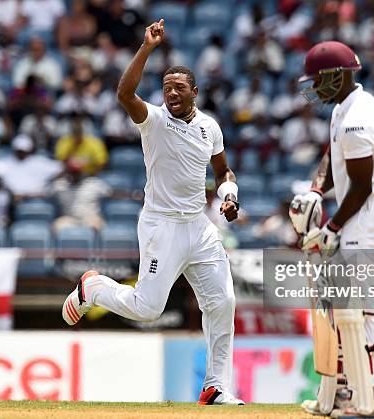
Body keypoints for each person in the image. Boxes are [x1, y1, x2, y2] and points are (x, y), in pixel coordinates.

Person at [62, 19, 244, 405]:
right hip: (162, 225)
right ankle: (94, 288)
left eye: (179, 88)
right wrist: (147, 47)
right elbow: (125, 92)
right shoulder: (154, 120)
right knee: (147, 308)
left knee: (223, 302)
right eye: (166, 88)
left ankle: (216, 387)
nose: (172, 94)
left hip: (199, 226)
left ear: (195, 92)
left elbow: (223, 170)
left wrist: (228, 194)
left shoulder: (210, 127)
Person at [291, 41, 374, 417]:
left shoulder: (357, 120)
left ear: (337, 76)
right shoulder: (344, 106)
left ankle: (372, 399)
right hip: (362, 212)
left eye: (318, 81)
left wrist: (331, 227)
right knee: (344, 308)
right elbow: (329, 156)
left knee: (358, 312)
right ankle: (346, 391)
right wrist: (316, 190)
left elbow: (362, 186)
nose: (314, 89)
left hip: (369, 212)